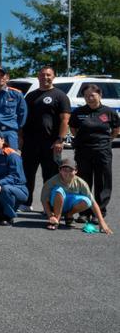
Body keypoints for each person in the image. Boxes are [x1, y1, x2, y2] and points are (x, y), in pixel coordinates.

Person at [20, 65, 71, 212]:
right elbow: (23, 119)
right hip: (30, 143)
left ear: (53, 76)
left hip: (51, 144)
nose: (45, 77)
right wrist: (21, 137)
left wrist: (60, 140)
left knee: (50, 176)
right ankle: (26, 202)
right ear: (38, 77)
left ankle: (48, 205)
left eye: (48, 75)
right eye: (42, 75)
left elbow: (65, 120)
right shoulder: (30, 96)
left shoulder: (60, 96)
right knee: (27, 173)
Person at [69, 83, 119, 218]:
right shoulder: (79, 112)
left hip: (102, 151)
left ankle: (100, 212)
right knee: (84, 181)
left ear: (100, 95)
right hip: (83, 151)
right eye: (86, 96)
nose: (89, 98)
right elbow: (73, 128)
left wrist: (108, 140)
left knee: (102, 182)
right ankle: (84, 211)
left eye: (92, 95)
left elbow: (115, 129)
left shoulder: (109, 112)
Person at [41, 158, 112, 233]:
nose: (67, 173)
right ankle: (56, 219)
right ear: (60, 170)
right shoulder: (51, 181)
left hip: (69, 204)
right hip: (55, 204)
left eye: (71, 170)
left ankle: (69, 215)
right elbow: (44, 200)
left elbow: (93, 202)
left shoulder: (81, 183)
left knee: (87, 201)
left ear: (76, 171)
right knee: (59, 190)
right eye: (65, 170)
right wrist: (50, 216)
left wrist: (102, 222)